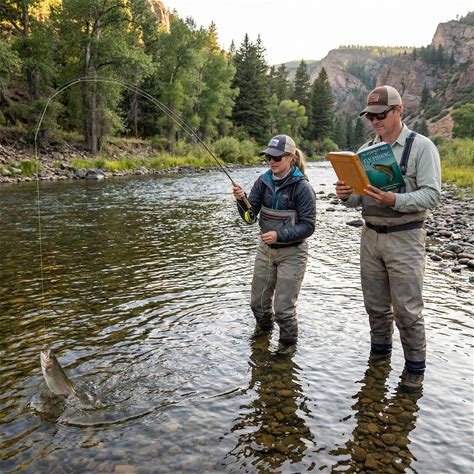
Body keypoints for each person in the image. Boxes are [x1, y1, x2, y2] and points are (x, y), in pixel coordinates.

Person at [335, 85, 441, 391]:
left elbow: (433, 195)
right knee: (375, 306)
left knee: (407, 310)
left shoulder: (422, 147)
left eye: (381, 115)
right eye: (370, 116)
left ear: (399, 111)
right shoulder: (364, 151)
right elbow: (358, 198)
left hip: (405, 238)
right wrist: (346, 195)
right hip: (370, 237)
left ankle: (415, 371)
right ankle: (379, 359)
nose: (375, 121)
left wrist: (395, 200)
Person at [233, 134, 316, 352]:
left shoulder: (303, 187)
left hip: (293, 253)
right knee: (257, 304)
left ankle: (286, 348)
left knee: (283, 310)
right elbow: (250, 218)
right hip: (266, 251)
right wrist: (241, 200)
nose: (271, 161)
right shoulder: (263, 182)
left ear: (290, 157)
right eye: (268, 157)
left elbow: (308, 227)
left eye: (277, 157)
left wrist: (279, 235)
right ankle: (264, 332)